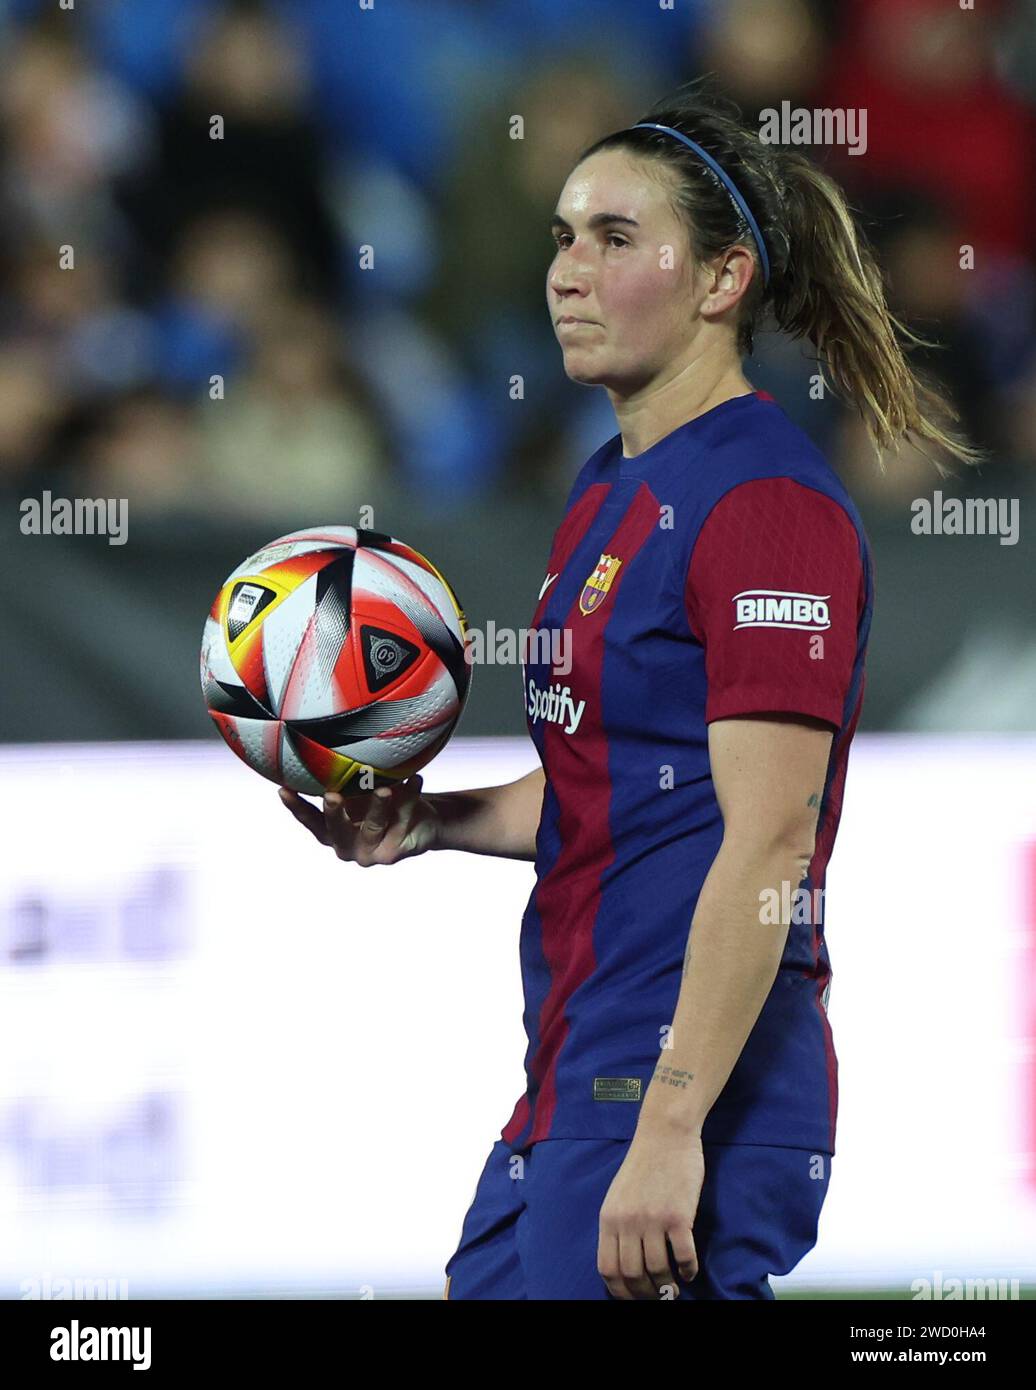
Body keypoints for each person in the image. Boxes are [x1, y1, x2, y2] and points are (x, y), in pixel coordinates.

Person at [279, 79, 979, 1300]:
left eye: (614, 238)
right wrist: (431, 819)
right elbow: (605, 786)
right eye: (560, 235)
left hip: (676, 1089)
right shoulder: (608, 483)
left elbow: (768, 848)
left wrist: (668, 1127)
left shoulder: (763, 509)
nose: (566, 271)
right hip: (579, 1072)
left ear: (721, 282)